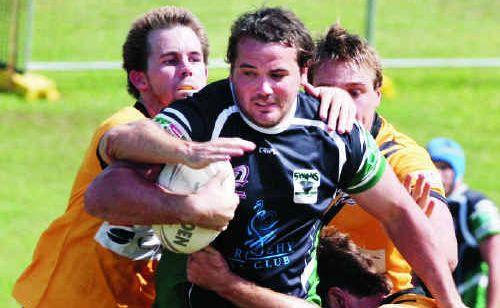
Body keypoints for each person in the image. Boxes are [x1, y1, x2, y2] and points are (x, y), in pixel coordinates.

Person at [85, 7, 463, 307]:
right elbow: (102, 193)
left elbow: (398, 213)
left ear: (304, 72)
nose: (263, 89)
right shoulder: (205, 117)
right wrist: (191, 203)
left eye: (277, 74)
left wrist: (451, 302)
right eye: (248, 73)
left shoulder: (334, 131)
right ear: (231, 71)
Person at [12, 6, 251, 307]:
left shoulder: (208, 135)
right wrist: (194, 202)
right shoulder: (125, 127)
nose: (187, 69)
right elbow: (122, 145)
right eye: (170, 61)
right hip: (69, 296)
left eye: (195, 59)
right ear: (140, 79)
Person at [308, 24, 458, 293]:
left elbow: (446, 258)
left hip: (382, 298)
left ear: (377, 94)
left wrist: (408, 224)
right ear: (306, 90)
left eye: (354, 92)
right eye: (328, 90)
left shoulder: (403, 159)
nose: (342, 104)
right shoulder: (286, 142)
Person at [427, 137, 500, 308]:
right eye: (432, 166)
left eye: (444, 167)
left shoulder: (478, 207)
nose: (437, 173)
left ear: (457, 170)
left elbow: (497, 263)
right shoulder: (421, 203)